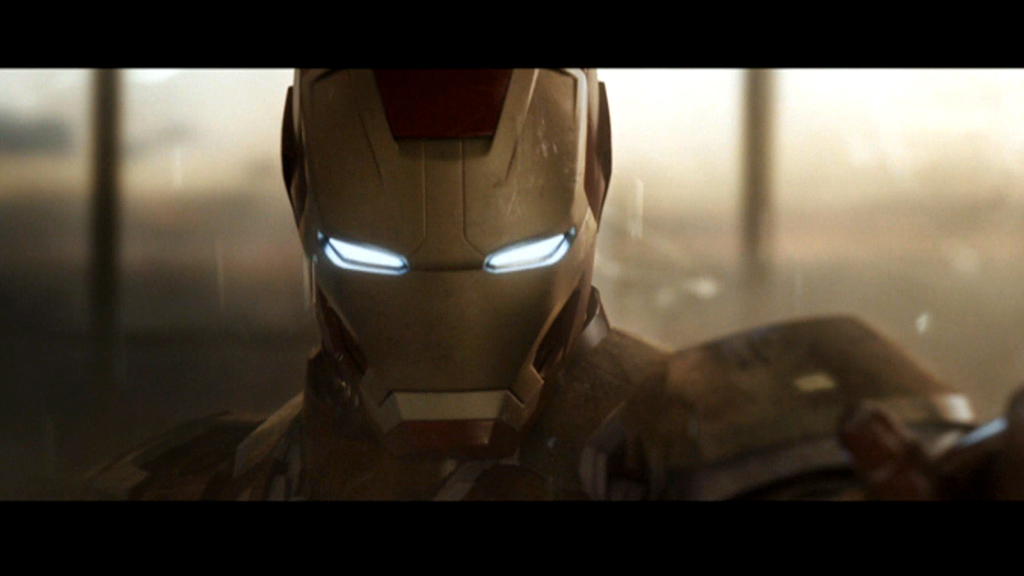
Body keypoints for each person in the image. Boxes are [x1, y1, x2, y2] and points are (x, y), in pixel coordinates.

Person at [83, 69, 1015, 500]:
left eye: (513, 257)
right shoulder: (199, 478)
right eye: (377, 261)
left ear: (594, 166)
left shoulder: (719, 448)